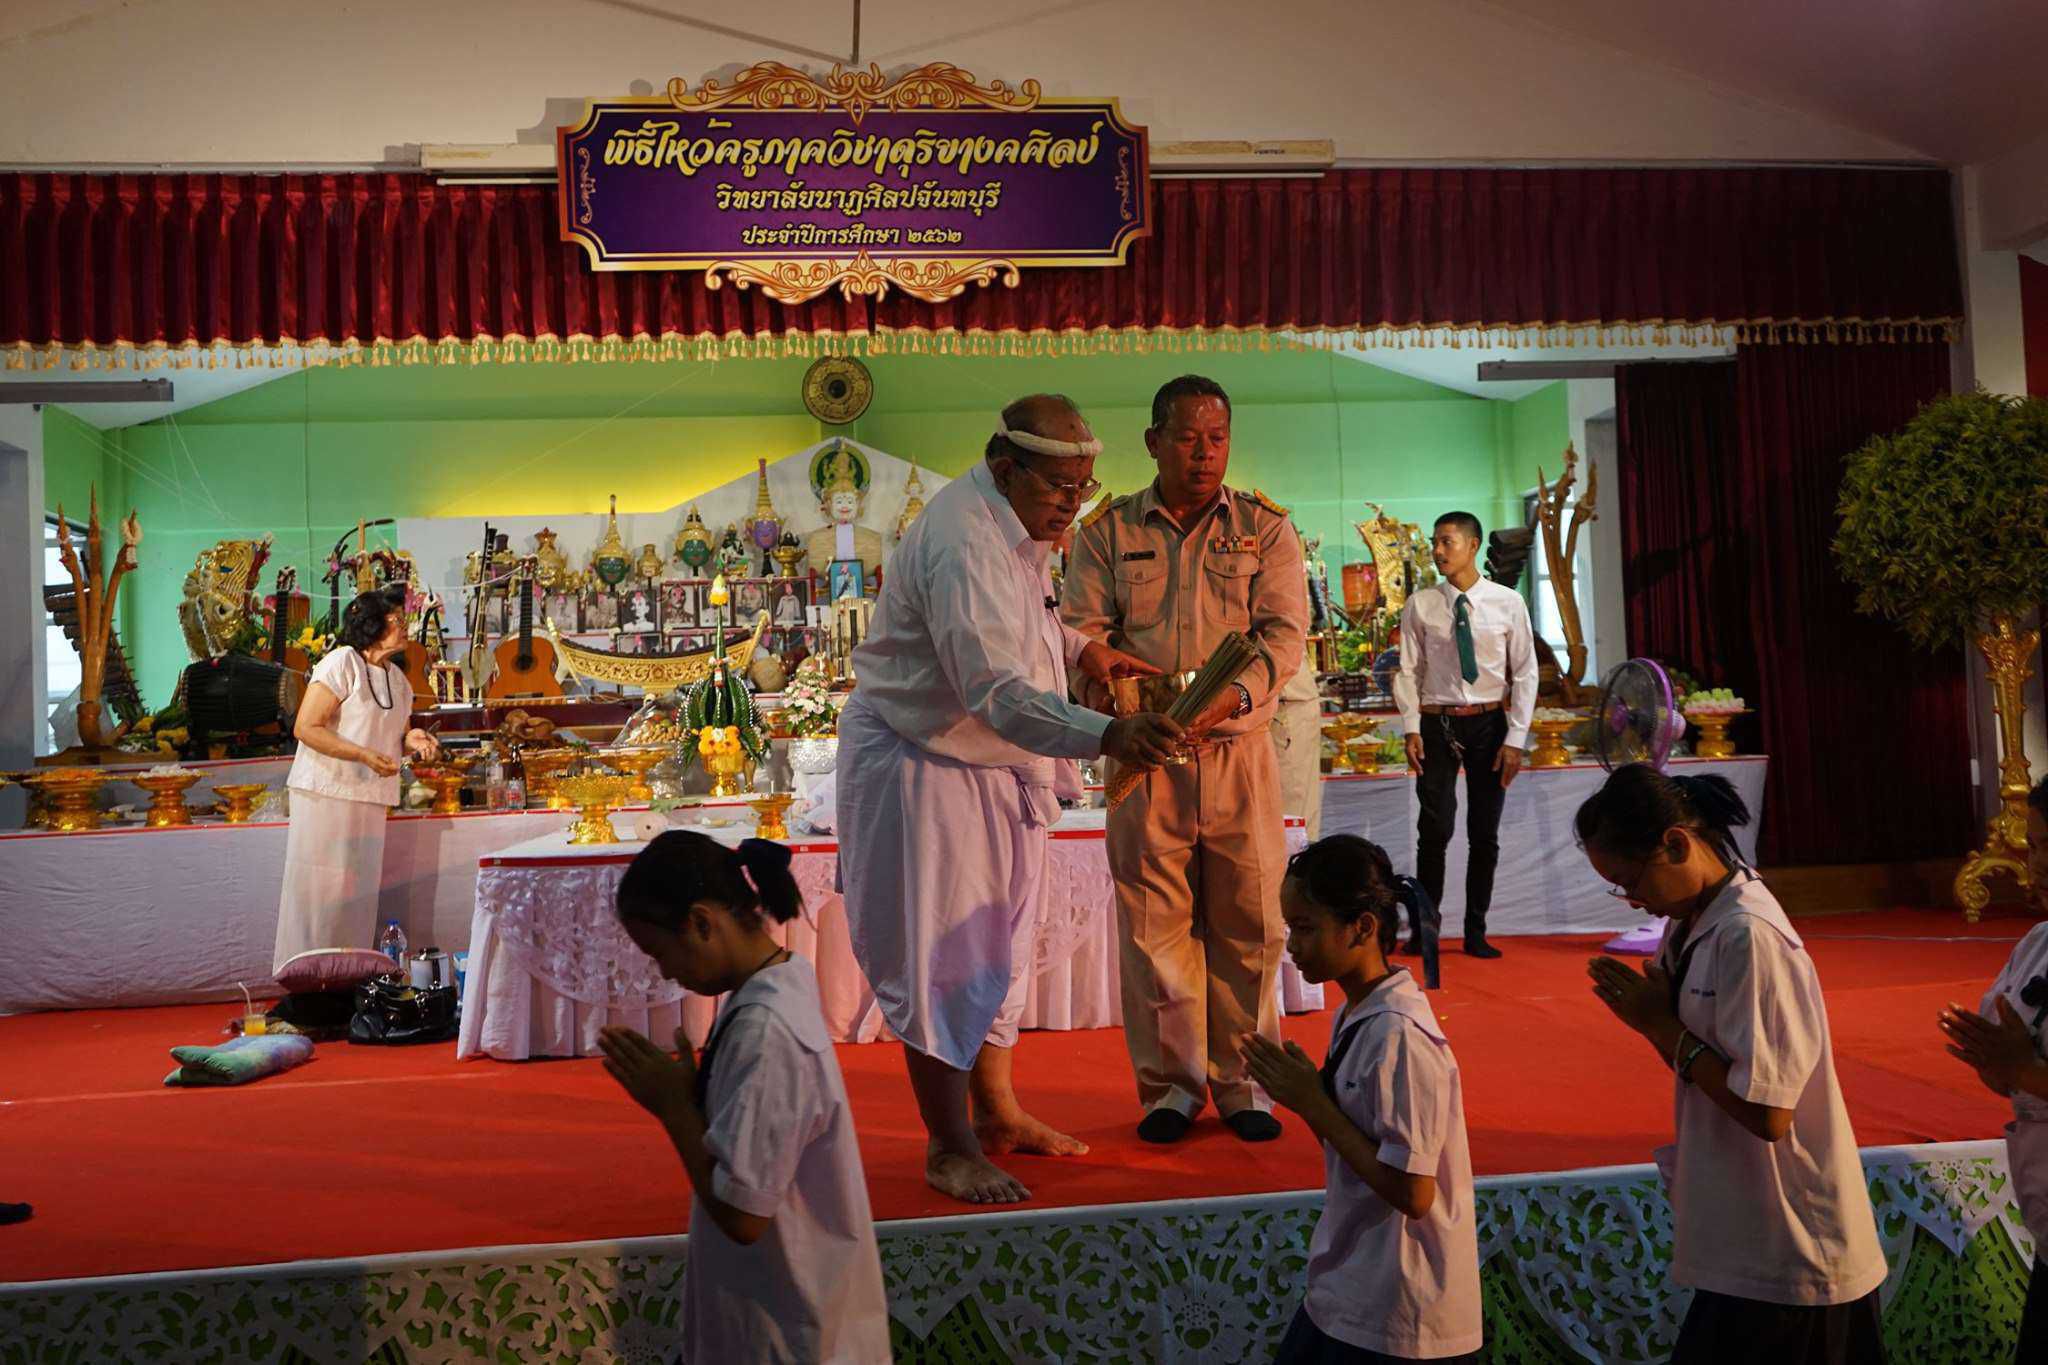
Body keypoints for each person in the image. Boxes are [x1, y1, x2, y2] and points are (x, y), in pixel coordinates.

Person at [837, 393, 1184, 1204]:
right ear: (1004, 467)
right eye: (1060, 486)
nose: (1074, 503)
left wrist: (1083, 648)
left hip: (991, 763)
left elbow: (1024, 624)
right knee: (944, 957)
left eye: (1084, 486)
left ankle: (994, 1112)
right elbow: (993, 687)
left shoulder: (1015, 526)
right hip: (926, 765)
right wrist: (1107, 733)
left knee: (1000, 949)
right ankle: (948, 1144)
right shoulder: (963, 540)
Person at [1061, 374, 1308, 1144]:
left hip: (1238, 751)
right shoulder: (1106, 533)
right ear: (1153, 442)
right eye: (1188, 438)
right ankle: (1171, 1086)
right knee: (1151, 924)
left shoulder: (1265, 529)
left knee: (1252, 921)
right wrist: (1111, 688)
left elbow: (1283, 637)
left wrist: (1225, 702)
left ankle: (1245, 1084)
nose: (1204, 454)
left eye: (1217, 438)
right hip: (1146, 755)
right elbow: (1078, 633)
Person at [1583, 765, 1887, 1364]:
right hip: (1747, 1237)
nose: (1633, 900)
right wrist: (1657, 1024)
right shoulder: (1692, 923)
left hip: (1792, 1250)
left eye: (1630, 881)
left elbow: (1768, 1112)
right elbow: (1695, 1064)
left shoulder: (1749, 934)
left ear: (1676, 844)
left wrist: (1660, 1025)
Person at [597, 832, 890, 1364]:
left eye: (660, 953)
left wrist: (675, 1110)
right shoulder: (774, 983)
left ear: (702, 922)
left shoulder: (767, 1032)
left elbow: (743, 1216)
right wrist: (697, 1100)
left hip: (787, 1332)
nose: (666, 972)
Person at [1244, 835, 1481, 1363]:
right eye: (1290, 928)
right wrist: (1308, 1096)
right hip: (1354, 1282)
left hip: (1399, 1305)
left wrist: (1313, 1103)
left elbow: (1414, 1193)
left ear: (1363, 927)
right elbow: (1355, 1143)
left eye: (1306, 928)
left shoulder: (1399, 1035)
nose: (1292, 945)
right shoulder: (1357, 1014)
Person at [1937, 775, 2048, 1363]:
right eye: (2036, 846)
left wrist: (2023, 1069)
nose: (2039, 865)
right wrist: (1995, 1063)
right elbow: (2004, 1066)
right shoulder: (2037, 942)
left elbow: (2022, 1068)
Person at [272, 584, 438, 972]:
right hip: (326, 793)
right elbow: (306, 727)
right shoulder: (341, 662)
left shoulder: (398, 680)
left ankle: (350, 979)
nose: (405, 626)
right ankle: (306, 979)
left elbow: (397, 734)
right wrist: (361, 754)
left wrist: (415, 739)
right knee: (320, 894)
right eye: (396, 619)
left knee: (357, 895)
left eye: (404, 619)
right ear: (371, 624)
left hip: (370, 795)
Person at [1392, 512, 1536, 959]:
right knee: (1433, 831)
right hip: (1437, 724)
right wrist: (1411, 727)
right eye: (1435, 542)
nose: (1438, 551)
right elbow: (1408, 670)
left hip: (1490, 724)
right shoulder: (1421, 604)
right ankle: (1425, 930)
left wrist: (1516, 739)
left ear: (1473, 545)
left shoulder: (1508, 602)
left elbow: (1525, 672)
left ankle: (1476, 931)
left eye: (1447, 542)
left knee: (1484, 832)